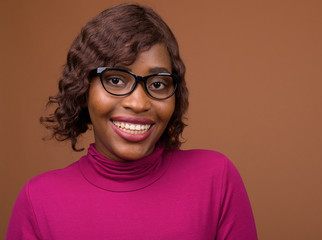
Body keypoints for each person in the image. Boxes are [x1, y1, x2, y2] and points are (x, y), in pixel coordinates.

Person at [6, 3, 257, 240]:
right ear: (83, 90)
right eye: (116, 80)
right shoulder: (38, 201)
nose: (138, 103)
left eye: (158, 84)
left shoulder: (216, 179)